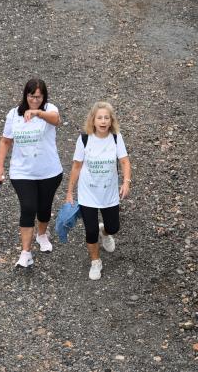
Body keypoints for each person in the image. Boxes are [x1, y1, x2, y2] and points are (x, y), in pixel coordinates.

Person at [0, 78, 63, 268]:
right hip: (22, 172)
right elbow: (5, 141)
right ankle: (26, 252)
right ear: (26, 95)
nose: (35, 100)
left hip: (49, 171)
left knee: (44, 207)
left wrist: (39, 113)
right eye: (32, 96)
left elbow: (57, 120)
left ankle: (41, 234)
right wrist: (0, 168)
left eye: (39, 97)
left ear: (44, 97)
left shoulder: (49, 109)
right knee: (28, 207)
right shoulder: (14, 114)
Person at [65, 102, 132, 280]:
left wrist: (126, 182)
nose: (103, 121)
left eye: (106, 118)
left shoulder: (116, 138)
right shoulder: (85, 138)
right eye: (99, 117)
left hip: (109, 193)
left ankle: (106, 232)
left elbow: (124, 161)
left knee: (113, 227)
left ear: (111, 121)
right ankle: (96, 262)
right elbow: (76, 166)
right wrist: (70, 192)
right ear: (93, 120)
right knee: (90, 230)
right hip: (88, 193)